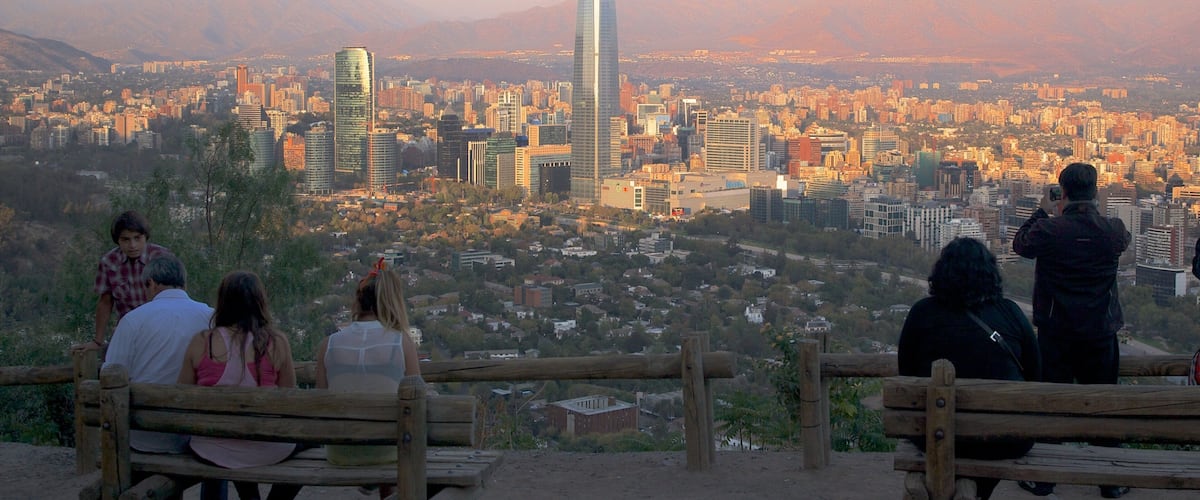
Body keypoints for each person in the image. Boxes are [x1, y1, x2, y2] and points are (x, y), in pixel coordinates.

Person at [1012, 162, 1132, 499]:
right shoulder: (1113, 229)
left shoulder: (1050, 231)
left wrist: (1042, 211)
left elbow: (1020, 245)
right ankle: (1110, 480)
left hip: (1056, 333)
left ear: (1061, 191)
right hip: (1100, 333)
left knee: (1052, 404)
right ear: (1095, 192)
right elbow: (1122, 240)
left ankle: (1046, 477)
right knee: (1104, 405)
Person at [899, 237, 1042, 500]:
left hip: (936, 435)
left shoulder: (922, 313)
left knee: (949, 441)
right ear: (991, 274)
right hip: (1007, 439)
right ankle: (974, 487)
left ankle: (958, 484)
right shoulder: (1010, 313)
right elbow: (1035, 375)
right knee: (985, 447)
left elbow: (906, 374)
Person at [178, 271, 301, 500]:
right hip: (267, 447)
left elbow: (181, 395)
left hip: (211, 447)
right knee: (309, 443)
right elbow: (289, 400)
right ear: (260, 302)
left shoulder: (202, 342)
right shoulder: (277, 342)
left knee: (235, 442)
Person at [316, 260, 420, 499]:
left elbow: (320, 400)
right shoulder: (401, 343)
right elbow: (417, 398)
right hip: (388, 452)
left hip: (340, 452)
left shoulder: (328, 345)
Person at [80, 210, 172, 351]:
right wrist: (97, 341)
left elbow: (176, 297)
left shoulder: (161, 257)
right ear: (118, 240)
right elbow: (105, 302)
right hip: (128, 332)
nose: (132, 245)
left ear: (145, 237)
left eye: (137, 238)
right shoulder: (109, 262)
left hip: (161, 332)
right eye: (126, 239)